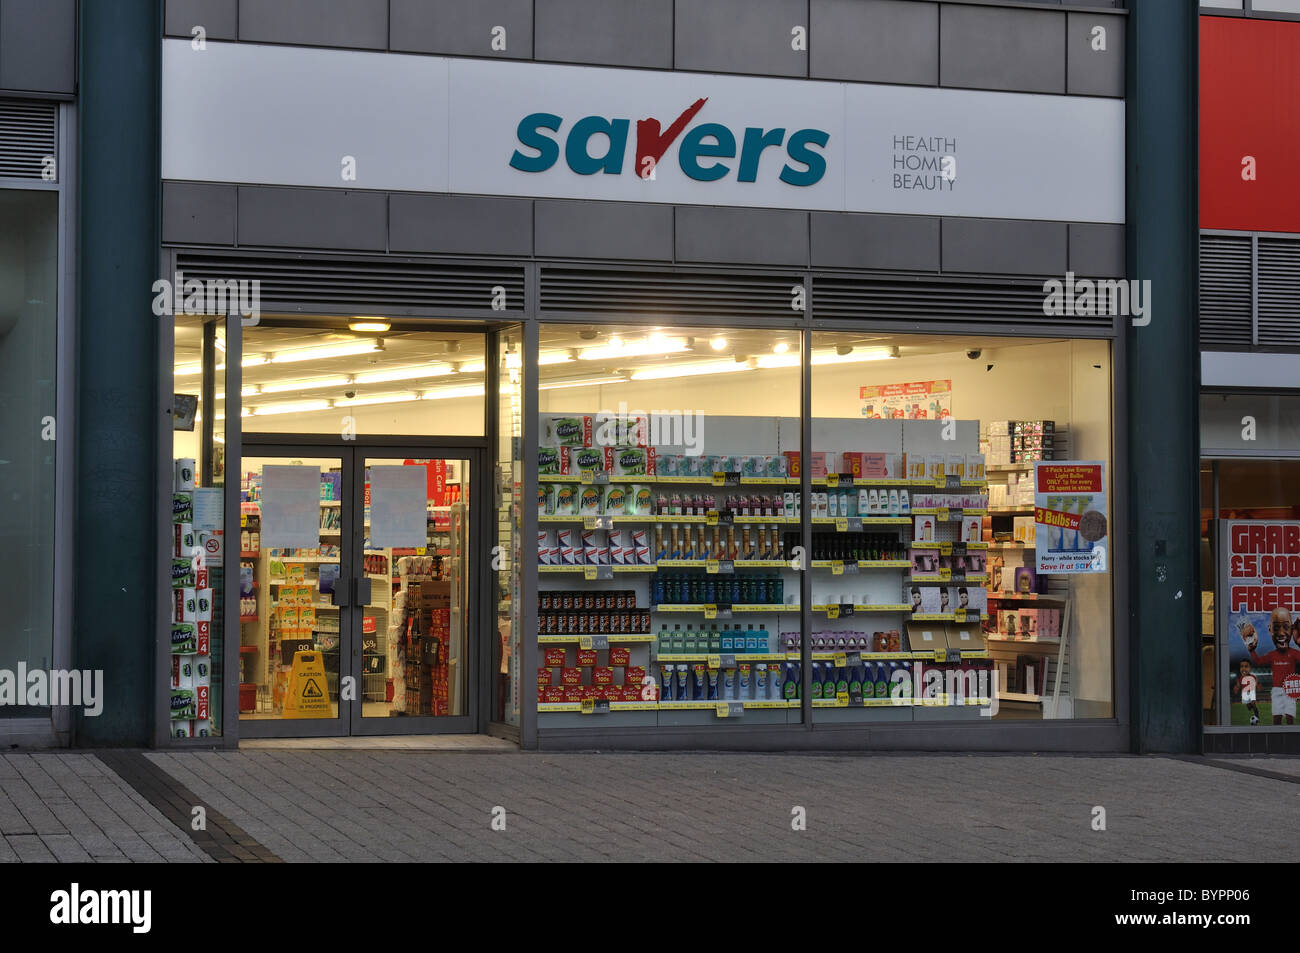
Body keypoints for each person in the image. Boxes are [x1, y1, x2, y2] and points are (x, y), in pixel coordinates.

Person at [1241, 607, 1300, 725]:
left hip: (1290, 689)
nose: (1281, 633)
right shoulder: (1272, 655)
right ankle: (1277, 736)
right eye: (1276, 628)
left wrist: (1299, 643)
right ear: (1270, 630)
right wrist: (1252, 650)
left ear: (1292, 629)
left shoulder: (1294, 653)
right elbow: (1258, 661)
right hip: (1277, 689)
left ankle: (1290, 736)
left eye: (1286, 627)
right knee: (1276, 719)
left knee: (1289, 718)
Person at [1236, 659, 1261, 726]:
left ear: (1250, 668)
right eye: (1242, 666)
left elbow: (1257, 683)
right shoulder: (1240, 678)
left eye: (1246, 666)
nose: (1244, 668)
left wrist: (1257, 685)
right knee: (1249, 707)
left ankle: (1257, 716)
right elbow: (1239, 685)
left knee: (1253, 703)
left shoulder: (1253, 677)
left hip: (1251, 692)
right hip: (1244, 693)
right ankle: (1251, 707)